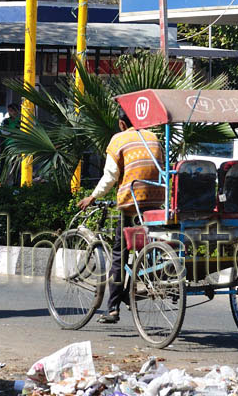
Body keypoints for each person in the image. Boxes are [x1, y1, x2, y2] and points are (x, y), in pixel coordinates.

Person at [78, 106, 165, 324]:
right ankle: (136, 284)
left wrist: (93, 197)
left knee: (120, 253)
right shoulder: (153, 137)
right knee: (144, 241)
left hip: (132, 203)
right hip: (156, 201)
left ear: (122, 123)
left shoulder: (119, 139)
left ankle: (113, 308)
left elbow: (110, 176)